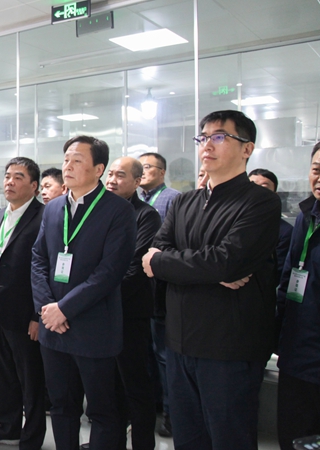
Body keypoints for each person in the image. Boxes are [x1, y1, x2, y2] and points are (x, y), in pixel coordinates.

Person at [142, 110, 281, 450]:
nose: (207, 145)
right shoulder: (184, 202)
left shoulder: (261, 202)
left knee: (229, 438)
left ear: (247, 149)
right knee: (187, 438)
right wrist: (205, 269)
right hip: (179, 341)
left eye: (219, 137)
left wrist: (170, 264)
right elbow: (153, 254)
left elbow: (226, 262)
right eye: (203, 138)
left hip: (229, 348)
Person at [31, 135, 136, 450]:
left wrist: (64, 308)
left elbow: (110, 271)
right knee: (61, 406)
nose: (68, 166)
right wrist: (47, 307)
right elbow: (38, 259)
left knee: (102, 410)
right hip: (53, 328)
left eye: (77, 160)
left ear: (98, 169)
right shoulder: (53, 208)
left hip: (94, 327)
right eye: (66, 159)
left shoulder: (118, 210)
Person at [0, 157, 46, 448]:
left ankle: (33, 435)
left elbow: (46, 269)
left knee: (31, 378)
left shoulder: (44, 217)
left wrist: (37, 315)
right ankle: (9, 427)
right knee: (3, 374)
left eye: (18, 177)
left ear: (34, 185)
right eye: (7, 176)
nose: (10, 182)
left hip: (25, 313)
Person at [105, 157, 161, 450]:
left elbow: (135, 266)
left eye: (120, 175)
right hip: (100, 312)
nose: (112, 180)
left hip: (129, 312)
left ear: (137, 182)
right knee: (109, 385)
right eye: (110, 174)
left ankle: (142, 444)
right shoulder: (101, 212)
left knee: (135, 384)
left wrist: (98, 294)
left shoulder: (146, 216)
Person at [276, 141, 320, 449]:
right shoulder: (306, 216)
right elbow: (289, 275)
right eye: (316, 169)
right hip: (297, 350)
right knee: (293, 436)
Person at [137, 151, 181, 436]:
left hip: (161, 289)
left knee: (164, 354)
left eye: (148, 167)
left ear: (162, 172)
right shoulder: (133, 202)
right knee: (144, 354)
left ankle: (171, 413)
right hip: (137, 289)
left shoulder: (174, 199)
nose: (143, 171)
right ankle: (150, 406)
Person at [249, 168, 293, 276]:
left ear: (275, 195)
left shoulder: (284, 231)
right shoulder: (232, 223)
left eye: (264, 188)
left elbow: (278, 270)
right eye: (252, 186)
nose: (256, 192)